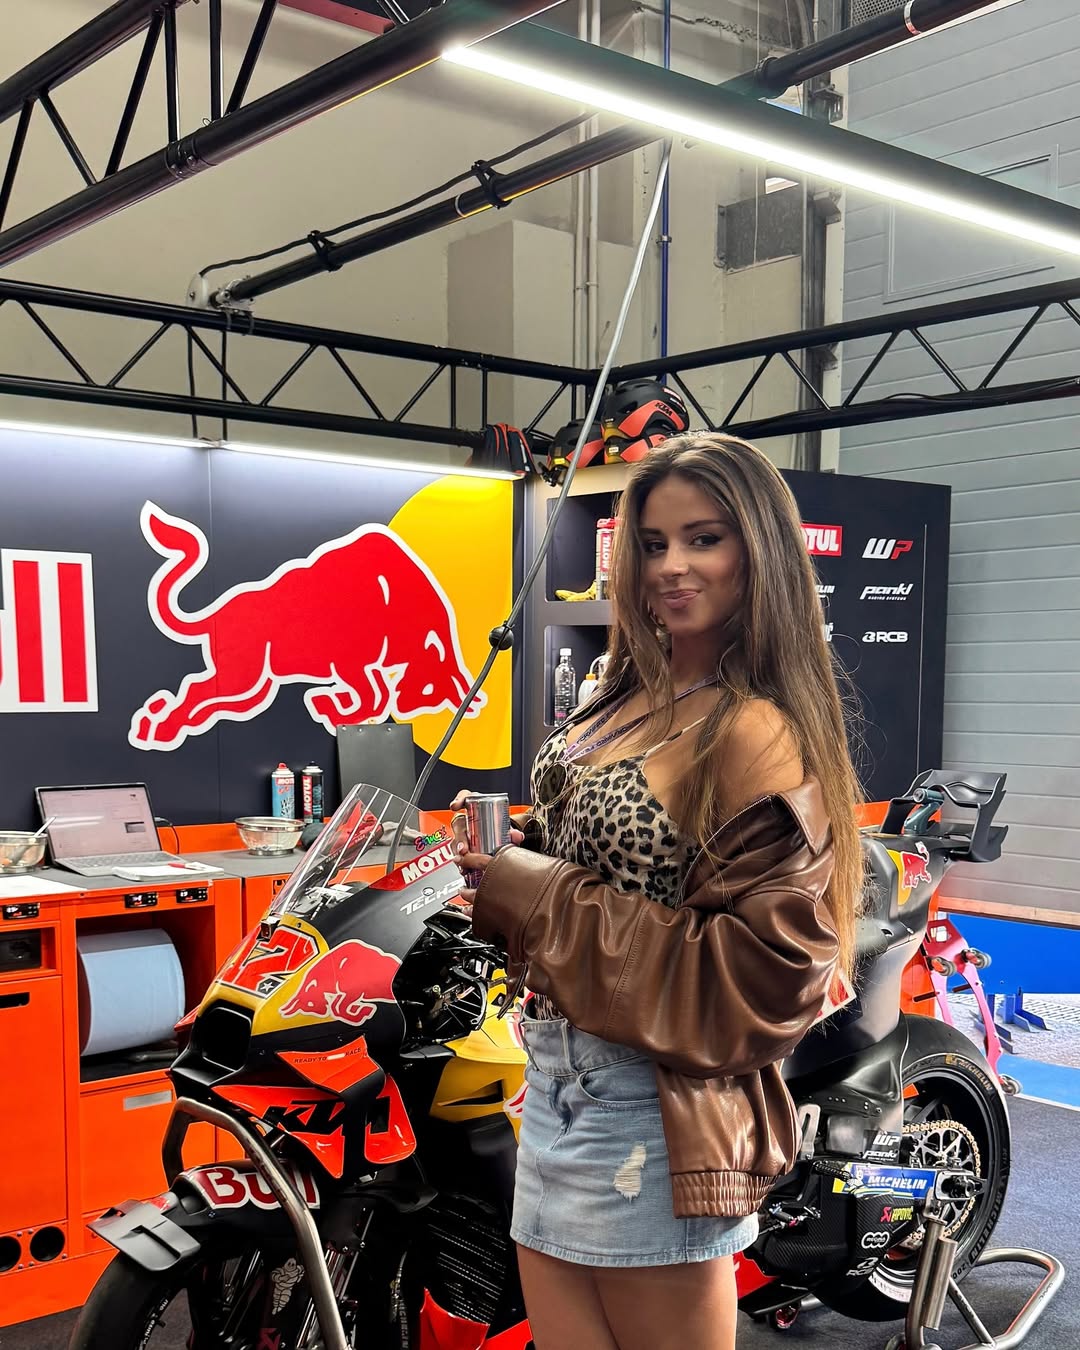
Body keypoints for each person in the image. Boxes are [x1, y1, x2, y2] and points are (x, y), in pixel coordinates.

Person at [451, 433, 863, 1350]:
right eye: (651, 543)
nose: (672, 566)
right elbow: (618, 868)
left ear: (759, 551)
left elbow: (765, 981)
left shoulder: (751, 730)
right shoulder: (618, 694)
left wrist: (536, 895)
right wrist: (512, 865)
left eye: (704, 539)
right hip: (554, 1075)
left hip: (654, 1108)